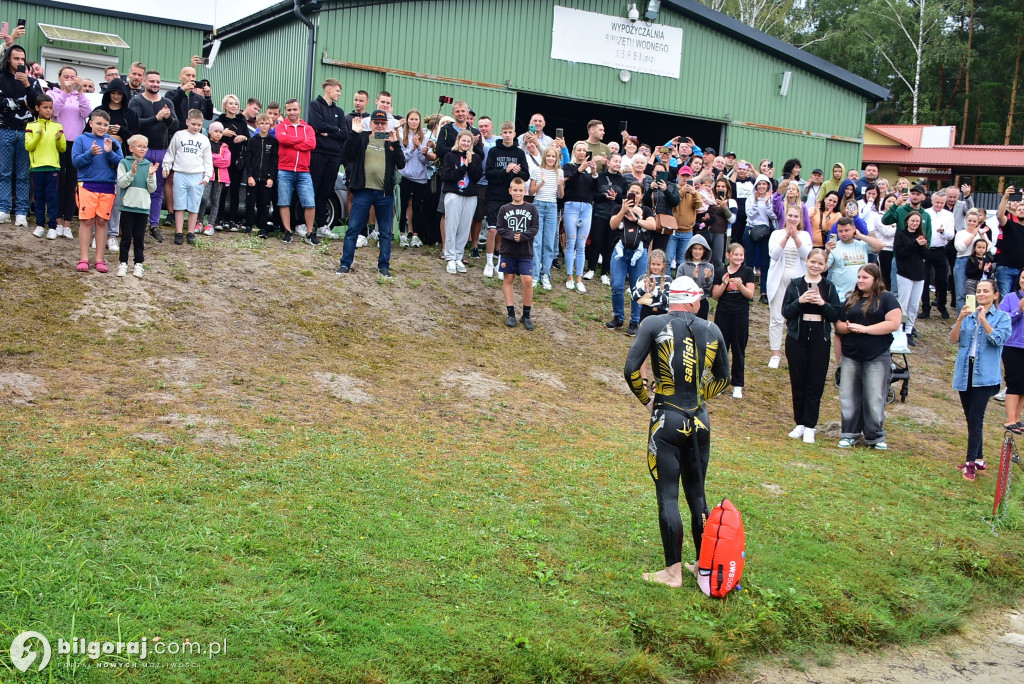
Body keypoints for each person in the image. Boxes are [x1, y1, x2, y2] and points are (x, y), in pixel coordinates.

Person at [623, 275, 730, 588]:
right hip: (699, 421)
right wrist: (697, 396)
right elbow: (724, 377)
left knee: (668, 496)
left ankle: (672, 572)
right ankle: (702, 565)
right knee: (697, 495)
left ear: (671, 300)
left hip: (666, 420)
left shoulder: (653, 324)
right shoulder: (712, 329)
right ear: (695, 301)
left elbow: (630, 369)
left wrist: (647, 399)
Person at [835, 264, 903, 449]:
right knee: (848, 395)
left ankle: (875, 436)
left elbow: (893, 323)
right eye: (858, 277)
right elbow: (838, 325)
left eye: (865, 277)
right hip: (851, 355)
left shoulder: (886, 298)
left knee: (874, 396)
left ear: (875, 279)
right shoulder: (851, 299)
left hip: (876, 356)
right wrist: (848, 328)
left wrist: (865, 329)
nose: (860, 280)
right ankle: (849, 433)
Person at [951, 280, 1010, 481]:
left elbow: (998, 340)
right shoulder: (968, 316)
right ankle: (979, 459)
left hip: (985, 375)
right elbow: (953, 339)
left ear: (995, 295)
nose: (981, 294)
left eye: (986, 291)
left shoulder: (1002, 317)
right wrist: (959, 319)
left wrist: (984, 321)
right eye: (978, 291)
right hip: (965, 371)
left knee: (976, 419)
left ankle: (970, 464)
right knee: (971, 418)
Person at [782, 248, 842, 443]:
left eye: (820, 263)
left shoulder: (829, 287)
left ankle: (810, 425)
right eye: (813, 262)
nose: (816, 266)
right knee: (798, 380)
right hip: (797, 337)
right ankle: (799, 422)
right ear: (807, 261)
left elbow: (836, 315)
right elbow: (786, 312)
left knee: (815, 382)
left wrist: (822, 303)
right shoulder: (796, 284)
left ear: (825, 267)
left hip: (819, 338)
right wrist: (800, 300)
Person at [337, 109, 405, 276]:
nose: (380, 126)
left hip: (384, 194)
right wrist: (354, 133)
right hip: (363, 192)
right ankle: (345, 264)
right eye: (377, 123)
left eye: (383, 123)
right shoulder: (362, 137)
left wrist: (395, 143)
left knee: (386, 233)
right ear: (371, 123)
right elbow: (346, 154)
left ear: (387, 124)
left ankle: (384, 267)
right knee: (353, 229)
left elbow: (402, 164)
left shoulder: (391, 140)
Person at [71, 110, 124, 272]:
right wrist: (90, 153)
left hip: (108, 187)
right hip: (87, 186)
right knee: (86, 222)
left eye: (105, 125)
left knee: (102, 222)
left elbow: (121, 164)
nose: (102, 127)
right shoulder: (81, 139)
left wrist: (110, 153)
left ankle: (100, 259)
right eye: (99, 123)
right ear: (91, 123)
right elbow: (76, 162)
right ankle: (84, 258)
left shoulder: (114, 143)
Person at [128, 70, 176, 241]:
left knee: (157, 190)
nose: (155, 85)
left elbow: (174, 125)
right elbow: (135, 123)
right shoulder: (137, 101)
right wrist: (156, 118)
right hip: (143, 151)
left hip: (162, 151)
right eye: (152, 81)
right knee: (140, 188)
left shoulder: (167, 102)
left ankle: (154, 225)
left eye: (158, 82)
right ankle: (136, 225)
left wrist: (168, 117)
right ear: (144, 82)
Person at [766, 206, 813, 368]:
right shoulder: (776, 234)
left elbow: (807, 255)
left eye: (796, 216)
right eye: (790, 215)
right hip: (779, 280)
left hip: (798, 281)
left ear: (800, 219)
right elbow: (774, 254)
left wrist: (796, 237)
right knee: (777, 317)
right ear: (785, 217)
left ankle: (797, 353)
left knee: (798, 318)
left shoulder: (805, 235)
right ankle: (775, 353)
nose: (792, 219)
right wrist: (787, 236)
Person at [608, 182, 656, 336]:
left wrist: (636, 219)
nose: (634, 195)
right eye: (631, 192)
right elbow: (613, 225)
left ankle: (635, 321)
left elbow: (653, 225)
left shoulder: (646, 210)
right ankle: (618, 317)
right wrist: (623, 210)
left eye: (637, 192)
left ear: (642, 196)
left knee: (638, 288)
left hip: (639, 252)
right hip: (620, 251)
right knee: (617, 285)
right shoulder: (618, 207)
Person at [49, 66, 93, 237]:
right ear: (59, 78)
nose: (69, 79)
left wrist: (80, 91)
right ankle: (56, 221)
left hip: (75, 144)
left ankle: (67, 223)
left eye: (73, 77)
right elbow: (55, 111)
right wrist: (65, 92)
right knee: (57, 183)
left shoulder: (80, 96)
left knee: (71, 184)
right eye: (66, 76)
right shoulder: (54, 94)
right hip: (58, 143)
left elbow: (86, 112)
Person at [483, 121, 529, 278]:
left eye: (510, 132)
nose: (508, 135)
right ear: (501, 134)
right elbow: (488, 173)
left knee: (505, 232)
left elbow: (526, 175)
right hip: (494, 196)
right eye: (505, 132)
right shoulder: (493, 151)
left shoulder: (520, 153)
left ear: (514, 134)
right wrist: (505, 170)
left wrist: (517, 172)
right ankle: (489, 263)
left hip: (511, 198)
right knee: (492, 230)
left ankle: (500, 263)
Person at [162, 109, 213, 245]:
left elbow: (208, 161)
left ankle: (190, 232)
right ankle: (178, 232)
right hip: (180, 173)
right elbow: (170, 154)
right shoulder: (179, 136)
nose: (196, 127)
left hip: (196, 175)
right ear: (187, 122)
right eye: (193, 124)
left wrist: (207, 176)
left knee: (194, 205)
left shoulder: (204, 140)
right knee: (179, 204)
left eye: (199, 125)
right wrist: (166, 166)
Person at [713, 243, 756, 398]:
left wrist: (740, 286)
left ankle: (737, 384)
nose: (739, 258)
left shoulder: (748, 272)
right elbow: (715, 295)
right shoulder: (720, 272)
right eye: (736, 255)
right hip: (723, 314)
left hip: (740, 315)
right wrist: (724, 284)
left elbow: (750, 295)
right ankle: (720, 381)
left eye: (741, 255)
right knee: (721, 349)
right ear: (728, 255)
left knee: (739, 349)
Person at [496, 177, 539, 330]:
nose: (518, 193)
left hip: (525, 252)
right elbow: (500, 228)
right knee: (509, 279)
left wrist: (523, 236)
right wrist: (511, 235)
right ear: (510, 191)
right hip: (508, 251)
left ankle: (526, 315)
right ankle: (511, 313)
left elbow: (535, 228)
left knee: (527, 280)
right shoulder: (504, 209)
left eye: (520, 190)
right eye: (515, 190)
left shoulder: (531, 208)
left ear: (525, 191)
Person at [308, 78, 348, 241]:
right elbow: (317, 125)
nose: (339, 94)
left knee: (326, 190)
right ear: (329, 89)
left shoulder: (339, 111)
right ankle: (306, 223)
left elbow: (344, 133)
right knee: (313, 188)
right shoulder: (315, 105)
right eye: (337, 90)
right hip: (318, 154)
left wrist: (330, 132)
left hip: (334, 156)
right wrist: (334, 130)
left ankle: (322, 225)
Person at [439, 129, 483, 274]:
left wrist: (470, 163)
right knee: (452, 225)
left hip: (470, 195)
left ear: (471, 143)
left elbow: (476, 177)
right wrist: (464, 166)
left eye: (468, 141)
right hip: (453, 194)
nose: (465, 143)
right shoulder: (450, 156)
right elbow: (447, 176)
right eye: (463, 140)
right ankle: (450, 257)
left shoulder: (476, 158)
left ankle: (459, 256)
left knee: (464, 227)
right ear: (458, 140)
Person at [275, 99, 318, 245]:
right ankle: (287, 231)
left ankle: (310, 233)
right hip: (285, 170)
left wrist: (292, 142)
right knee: (284, 201)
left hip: (304, 171)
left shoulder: (308, 128)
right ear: (285, 111)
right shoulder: (281, 126)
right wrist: (300, 141)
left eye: (294, 109)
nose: (292, 112)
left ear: (299, 110)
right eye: (289, 110)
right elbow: (281, 138)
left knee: (310, 202)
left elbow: (312, 143)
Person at [115, 134, 158, 278]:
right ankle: (123, 263)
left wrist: (151, 175)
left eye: (144, 146)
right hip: (127, 206)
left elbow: (152, 189)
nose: (142, 149)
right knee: (126, 236)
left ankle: (138, 263)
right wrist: (131, 173)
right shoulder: (124, 163)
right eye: (139, 146)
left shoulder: (149, 165)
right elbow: (122, 183)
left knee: (139, 236)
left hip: (143, 207)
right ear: (131, 148)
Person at [25, 94, 65, 239]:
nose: (48, 111)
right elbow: (29, 146)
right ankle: (40, 224)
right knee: (39, 197)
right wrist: (38, 135)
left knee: (52, 197)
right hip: (37, 167)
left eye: (50, 108)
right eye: (45, 107)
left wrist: (59, 140)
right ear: (37, 108)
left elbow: (63, 148)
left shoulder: (57, 126)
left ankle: (53, 226)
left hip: (53, 167)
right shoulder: (31, 126)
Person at [588, 153, 628, 285]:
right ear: (609, 162)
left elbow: (624, 199)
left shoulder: (623, 181)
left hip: (614, 217)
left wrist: (615, 197)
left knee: (610, 244)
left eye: (619, 161)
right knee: (596, 242)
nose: (617, 163)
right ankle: (591, 269)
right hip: (599, 214)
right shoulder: (600, 176)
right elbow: (593, 194)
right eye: (615, 161)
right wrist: (605, 196)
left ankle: (604, 272)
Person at [563, 141, 598, 292]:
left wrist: (595, 173)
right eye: (579, 150)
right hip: (571, 205)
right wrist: (580, 169)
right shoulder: (568, 166)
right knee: (571, 241)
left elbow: (597, 190)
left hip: (587, 207)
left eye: (584, 150)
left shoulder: (590, 170)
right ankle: (569, 276)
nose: (582, 152)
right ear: (574, 151)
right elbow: (568, 185)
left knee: (581, 244)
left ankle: (579, 278)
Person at [529, 145, 563, 290]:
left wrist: (561, 185)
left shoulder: (559, 172)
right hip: (538, 205)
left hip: (552, 207)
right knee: (537, 242)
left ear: (556, 159)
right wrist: (541, 182)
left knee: (549, 242)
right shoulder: (537, 170)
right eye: (548, 156)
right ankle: (535, 275)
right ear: (544, 157)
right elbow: (531, 192)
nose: (550, 158)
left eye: (553, 156)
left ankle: (545, 274)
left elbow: (561, 195)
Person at [397, 109, 433, 249]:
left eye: (416, 119)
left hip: (420, 178)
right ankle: (402, 234)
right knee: (404, 205)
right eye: (411, 119)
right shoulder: (401, 135)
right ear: (407, 120)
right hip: (406, 176)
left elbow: (426, 161)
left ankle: (416, 235)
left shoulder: (425, 137)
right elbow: (402, 158)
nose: (414, 122)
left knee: (417, 207)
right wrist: (412, 148)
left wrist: (420, 148)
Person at [893, 210, 929, 345]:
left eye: (917, 221)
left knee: (914, 305)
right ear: (907, 221)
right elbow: (901, 253)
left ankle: (909, 330)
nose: (915, 223)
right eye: (912, 221)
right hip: (905, 274)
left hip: (919, 274)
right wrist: (915, 244)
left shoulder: (921, 236)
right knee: (903, 303)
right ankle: (899, 329)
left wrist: (922, 245)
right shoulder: (901, 235)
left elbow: (926, 255)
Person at [214, 94, 249, 230]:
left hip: (237, 162)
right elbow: (210, 137)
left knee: (235, 190)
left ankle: (232, 220)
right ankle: (220, 219)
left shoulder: (242, 122)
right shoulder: (219, 121)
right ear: (225, 106)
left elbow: (250, 139)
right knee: (221, 191)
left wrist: (243, 137)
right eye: (230, 103)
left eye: (235, 104)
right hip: (222, 162)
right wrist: (222, 134)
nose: (233, 106)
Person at [998, 271, 1024, 433]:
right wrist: (1018, 311)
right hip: (1013, 346)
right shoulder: (1010, 298)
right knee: (1014, 382)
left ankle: (1018, 419)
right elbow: (1002, 319)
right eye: (1023, 278)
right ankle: (1010, 420)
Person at [953, 208, 993, 312]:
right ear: (966, 220)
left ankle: (973, 318)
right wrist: (973, 235)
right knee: (961, 293)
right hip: (962, 261)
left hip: (976, 262)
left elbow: (988, 247)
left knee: (974, 293)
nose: (971, 223)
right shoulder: (960, 233)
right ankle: (961, 320)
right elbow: (960, 248)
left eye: (974, 221)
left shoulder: (980, 232)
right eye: (969, 220)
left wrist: (982, 234)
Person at [245, 113, 278, 238]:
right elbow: (248, 159)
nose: (264, 126)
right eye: (262, 123)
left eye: (267, 124)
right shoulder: (253, 140)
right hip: (253, 177)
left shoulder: (273, 142)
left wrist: (271, 178)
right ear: (257, 125)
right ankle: (249, 225)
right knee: (250, 202)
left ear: (270, 125)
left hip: (266, 179)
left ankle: (263, 227)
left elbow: (274, 162)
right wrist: (249, 175)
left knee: (264, 204)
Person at [745, 174, 776, 302]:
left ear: (768, 186)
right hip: (751, 229)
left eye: (764, 184)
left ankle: (764, 293)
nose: (762, 186)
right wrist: (757, 201)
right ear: (756, 186)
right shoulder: (750, 198)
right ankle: (748, 292)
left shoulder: (772, 198)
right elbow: (750, 216)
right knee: (749, 262)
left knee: (765, 263)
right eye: (760, 184)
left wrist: (768, 202)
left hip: (765, 231)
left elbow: (774, 215)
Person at [197, 121, 231, 235]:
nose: (218, 134)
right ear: (210, 132)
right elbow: (203, 158)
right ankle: (199, 221)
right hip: (207, 176)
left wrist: (212, 158)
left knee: (216, 200)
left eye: (221, 132)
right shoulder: (205, 143)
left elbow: (226, 162)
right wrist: (217, 157)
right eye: (215, 131)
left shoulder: (224, 146)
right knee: (204, 198)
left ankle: (210, 224)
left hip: (220, 178)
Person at [994, 184, 1024, 298]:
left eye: (1023, 209)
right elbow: (1000, 215)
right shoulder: (1010, 225)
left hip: (1022, 271)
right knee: (1004, 297)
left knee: (1018, 299)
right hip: (1006, 268)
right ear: (1014, 212)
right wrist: (1006, 197)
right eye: (1019, 209)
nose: (1021, 211)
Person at [676, 235, 714, 320]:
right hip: (686, 303)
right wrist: (693, 278)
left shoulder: (709, 267)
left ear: (704, 250)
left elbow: (708, 290)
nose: (697, 251)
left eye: (700, 249)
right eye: (695, 248)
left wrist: (707, 279)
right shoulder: (682, 267)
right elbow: (678, 287)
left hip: (702, 302)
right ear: (690, 249)